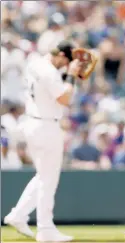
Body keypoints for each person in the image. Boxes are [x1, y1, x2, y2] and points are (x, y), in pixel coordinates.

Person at [4, 40, 83, 242]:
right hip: (46, 125)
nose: (65, 67)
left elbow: (53, 87)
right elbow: (64, 99)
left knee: (43, 176)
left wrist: (66, 74)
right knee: (49, 179)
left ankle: (18, 214)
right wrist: (72, 75)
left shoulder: (35, 63)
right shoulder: (49, 71)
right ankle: (45, 229)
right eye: (66, 62)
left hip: (32, 122)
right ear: (62, 57)